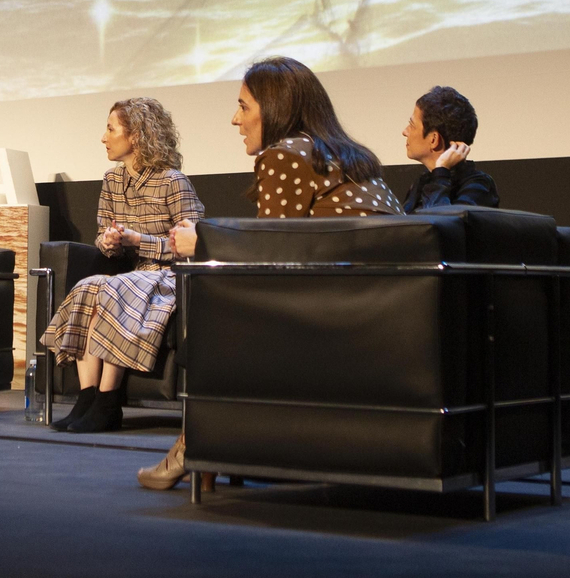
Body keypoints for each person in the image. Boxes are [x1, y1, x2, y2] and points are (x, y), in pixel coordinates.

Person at [139, 56, 400, 489]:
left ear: (274, 108)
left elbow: (266, 260)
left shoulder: (283, 155)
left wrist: (201, 244)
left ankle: (198, 448)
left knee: (215, 317)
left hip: (332, 314)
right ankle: (212, 449)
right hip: (376, 307)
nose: (234, 119)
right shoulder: (348, 156)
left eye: (243, 106)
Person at [40, 98, 203, 434]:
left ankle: (108, 401)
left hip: (169, 276)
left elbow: (197, 244)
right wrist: (110, 241)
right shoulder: (113, 180)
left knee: (115, 289)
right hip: (132, 273)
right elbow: (103, 234)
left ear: (137, 136)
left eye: (111, 129)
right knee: (87, 287)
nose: (104, 137)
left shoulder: (173, 181)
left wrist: (136, 240)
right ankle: (87, 398)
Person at [400, 85, 499, 212]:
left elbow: (439, 225)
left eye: (412, 126)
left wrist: (441, 172)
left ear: (434, 140)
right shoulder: (423, 181)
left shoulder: (478, 185)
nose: (405, 132)